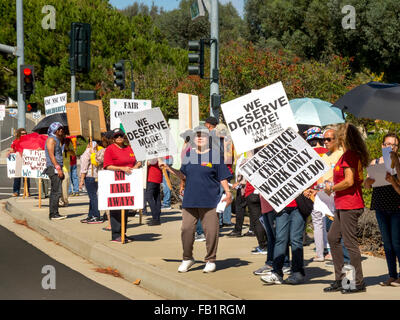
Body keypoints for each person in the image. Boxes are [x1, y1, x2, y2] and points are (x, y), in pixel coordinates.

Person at [165, 125, 233, 273]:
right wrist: (169, 169)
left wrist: (228, 192)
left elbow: (222, 176)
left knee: (211, 231)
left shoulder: (215, 155)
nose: (200, 137)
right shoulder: (189, 155)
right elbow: (183, 175)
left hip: (210, 201)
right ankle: (187, 258)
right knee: (186, 229)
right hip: (190, 200)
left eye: (203, 135)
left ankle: (210, 259)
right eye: (197, 135)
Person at [323, 123, 369, 294]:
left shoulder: (349, 155)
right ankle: (341, 279)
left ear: (342, 138)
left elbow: (349, 181)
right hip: (342, 204)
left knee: (349, 243)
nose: (331, 139)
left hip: (350, 204)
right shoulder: (347, 155)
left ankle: (357, 282)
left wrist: (332, 188)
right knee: (333, 237)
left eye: (336, 135)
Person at [365, 133, 400, 287]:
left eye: (394, 145)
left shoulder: (399, 162)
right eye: (387, 144)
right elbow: (367, 186)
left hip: (396, 207)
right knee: (387, 243)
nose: (390, 147)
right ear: (382, 146)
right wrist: (368, 181)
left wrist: (393, 181)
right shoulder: (375, 162)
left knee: (397, 243)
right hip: (380, 206)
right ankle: (392, 275)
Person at [103, 128, 142, 242]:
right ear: (113, 138)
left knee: (125, 208)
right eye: (116, 136)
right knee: (116, 208)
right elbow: (107, 165)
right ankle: (116, 234)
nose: (119, 138)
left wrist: (136, 166)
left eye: (121, 135)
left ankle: (123, 233)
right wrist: (122, 168)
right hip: (116, 182)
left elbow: (136, 161)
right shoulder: (110, 149)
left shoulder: (129, 148)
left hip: (128, 182)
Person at [43, 122, 66, 220]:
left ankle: (55, 212)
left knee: (56, 191)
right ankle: (53, 214)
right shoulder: (51, 139)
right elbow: (51, 155)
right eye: (59, 129)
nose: (61, 130)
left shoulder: (57, 139)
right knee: (56, 191)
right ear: (54, 130)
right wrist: (58, 168)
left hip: (57, 167)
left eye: (62, 128)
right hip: (53, 168)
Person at [79, 141, 103, 224]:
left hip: (89, 176)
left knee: (93, 197)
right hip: (97, 176)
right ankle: (91, 215)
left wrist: (81, 180)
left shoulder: (87, 152)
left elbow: (84, 167)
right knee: (92, 196)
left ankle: (96, 215)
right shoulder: (99, 151)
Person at [96, 131, 114, 231]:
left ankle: (111, 223)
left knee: (108, 202)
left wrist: (93, 152)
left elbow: (97, 159)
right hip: (117, 178)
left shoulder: (104, 151)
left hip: (106, 178)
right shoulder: (118, 150)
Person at [8, 128, 30, 197]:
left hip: (27, 159)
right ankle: (16, 191)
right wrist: (10, 151)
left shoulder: (29, 141)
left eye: (25, 133)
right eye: (22, 134)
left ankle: (27, 191)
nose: (24, 135)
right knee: (17, 176)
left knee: (26, 176)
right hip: (19, 159)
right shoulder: (15, 141)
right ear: (19, 134)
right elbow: (12, 149)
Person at [145, 158, 163, 226]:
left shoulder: (153, 153)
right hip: (156, 176)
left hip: (152, 176)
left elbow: (150, 162)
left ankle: (155, 218)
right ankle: (157, 217)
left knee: (149, 197)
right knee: (156, 197)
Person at [60, 137, 74, 207]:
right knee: (58, 187)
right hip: (57, 167)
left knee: (65, 186)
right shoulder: (55, 142)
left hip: (66, 168)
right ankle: (60, 201)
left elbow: (73, 153)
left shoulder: (68, 142)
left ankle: (65, 201)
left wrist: (67, 149)